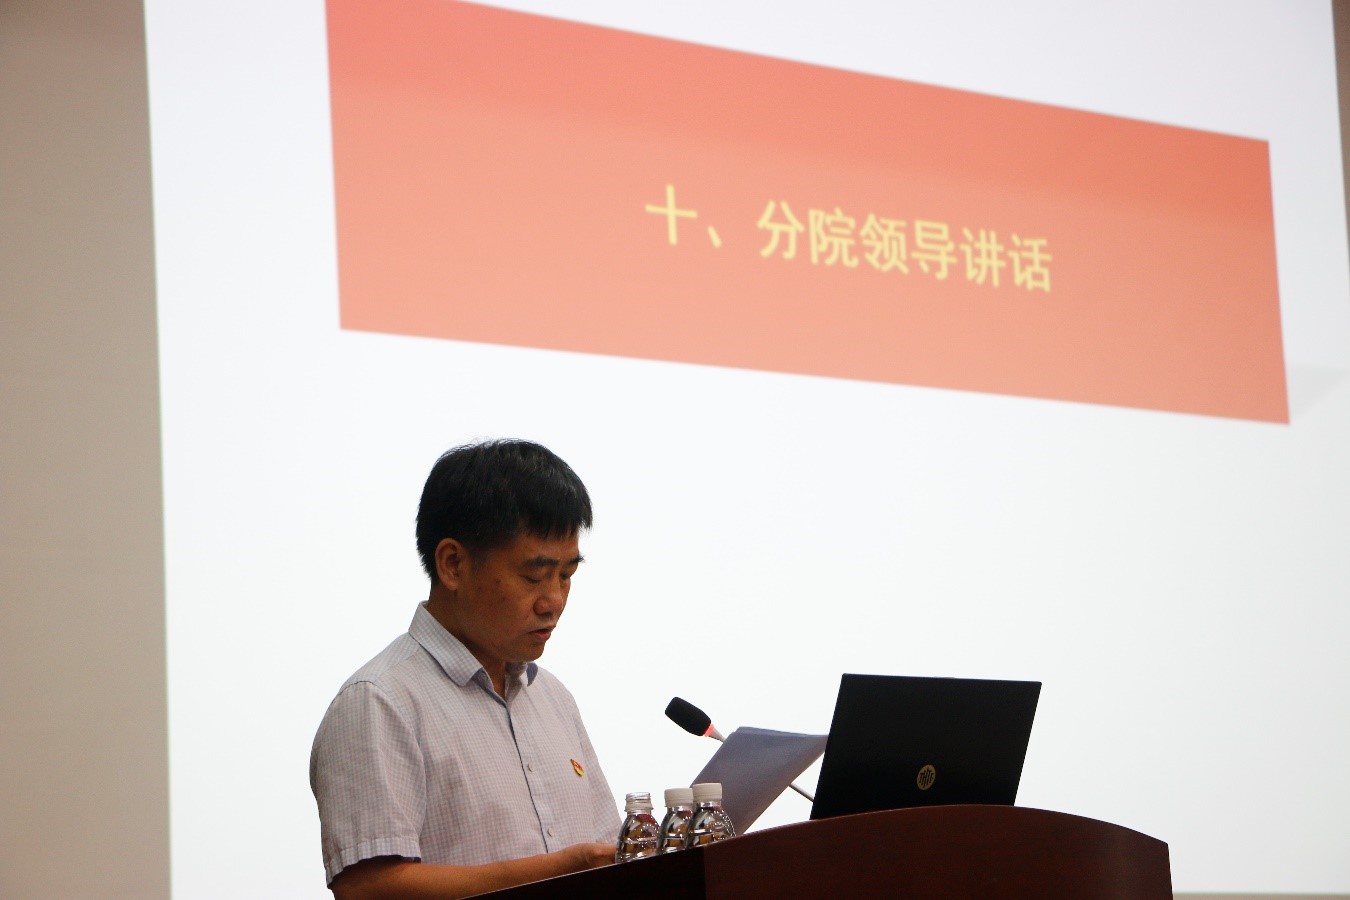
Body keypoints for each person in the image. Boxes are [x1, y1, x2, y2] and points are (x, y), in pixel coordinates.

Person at [310, 439, 620, 898]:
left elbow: (607, 853)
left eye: (566, 576)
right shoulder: (378, 701)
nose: (553, 601)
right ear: (453, 564)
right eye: (534, 576)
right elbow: (369, 888)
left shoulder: (553, 698)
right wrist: (561, 869)